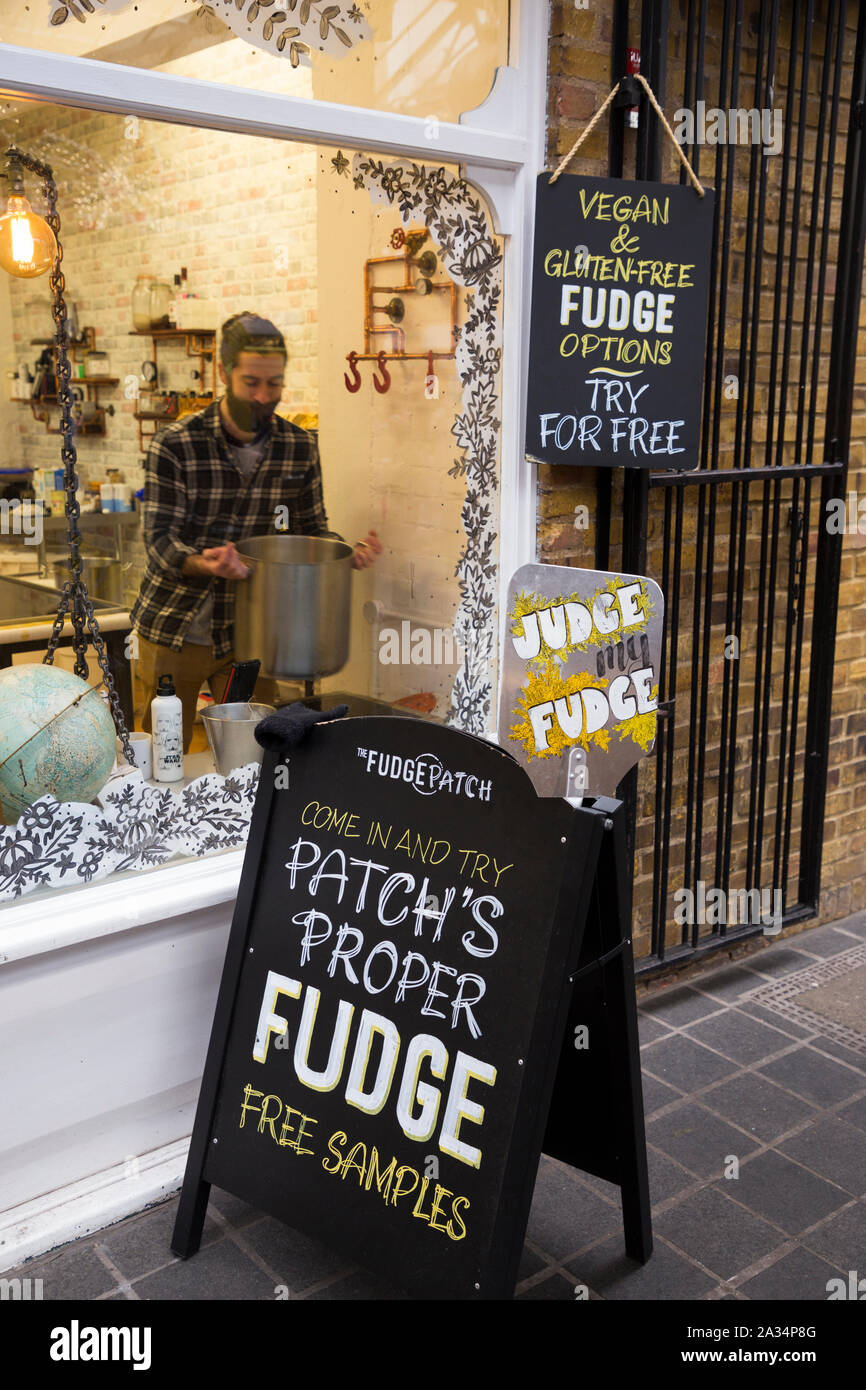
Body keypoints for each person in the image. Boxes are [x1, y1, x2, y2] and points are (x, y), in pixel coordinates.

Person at [131, 311, 381, 752]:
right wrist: (202, 562)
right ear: (223, 373)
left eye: (275, 384)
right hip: (175, 629)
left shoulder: (299, 447)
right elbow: (158, 542)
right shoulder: (175, 444)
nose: (265, 396)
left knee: (251, 757)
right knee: (160, 758)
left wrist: (345, 553)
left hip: (251, 634)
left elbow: (311, 530)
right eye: (252, 383)